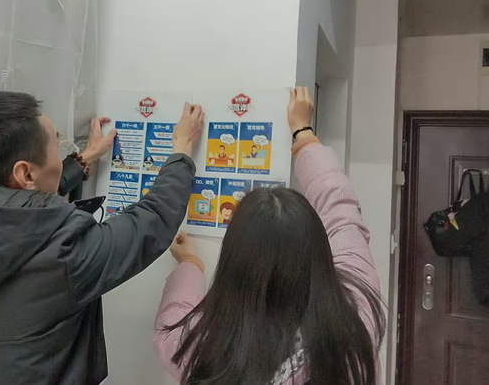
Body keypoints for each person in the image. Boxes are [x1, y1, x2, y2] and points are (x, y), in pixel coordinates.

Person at [0, 91, 204, 385]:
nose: (59, 155)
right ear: (26, 174)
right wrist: (181, 150)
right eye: (56, 146)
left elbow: (8, 209)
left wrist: (81, 161)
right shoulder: (61, 252)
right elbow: (152, 220)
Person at [153, 87, 386, 385]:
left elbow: (172, 320)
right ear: (318, 249)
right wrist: (303, 133)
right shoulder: (356, 316)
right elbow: (341, 210)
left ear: (235, 261)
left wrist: (189, 264)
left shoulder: (205, 350)